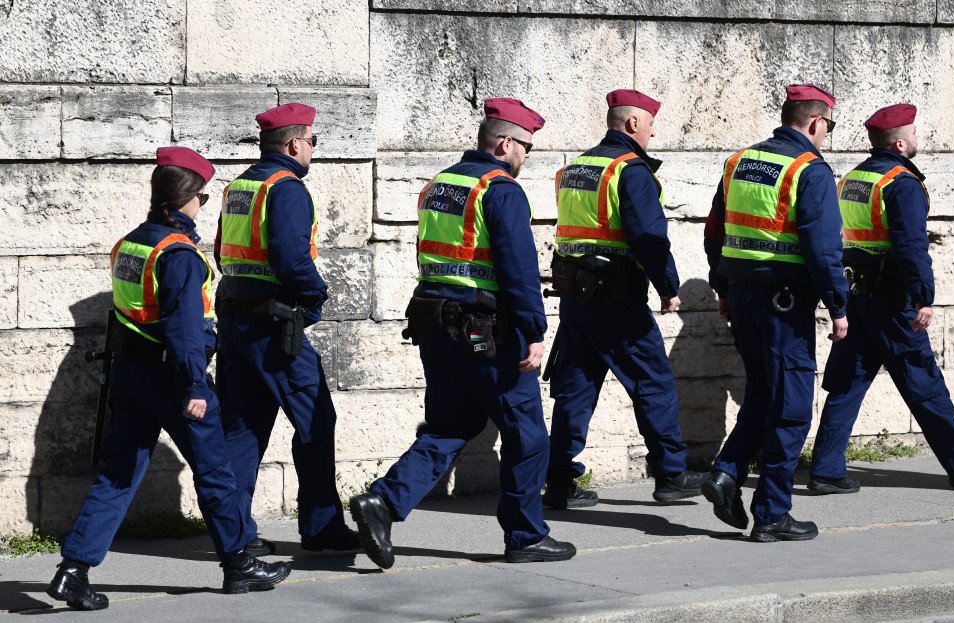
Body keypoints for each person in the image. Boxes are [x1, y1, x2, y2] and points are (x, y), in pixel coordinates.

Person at [48, 147, 290, 611]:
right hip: (172, 377)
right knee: (215, 470)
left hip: (130, 374)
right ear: (189, 198)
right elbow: (182, 331)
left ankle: (73, 570)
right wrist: (196, 387)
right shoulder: (178, 254)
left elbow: (125, 316)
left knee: (119, 475)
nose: (202, 203)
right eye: (202, 196)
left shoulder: (131, 244)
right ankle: (240, 563)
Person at [349, 98, 576, 569]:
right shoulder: (500, 189)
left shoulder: (440, 184)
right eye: (526, 147)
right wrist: (534, 330)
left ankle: (384, 503)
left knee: (452, 425)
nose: (527, 157)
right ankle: (526, 535)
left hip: (436, 324)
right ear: (504, 142)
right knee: (528, 433)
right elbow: (519, 271)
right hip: (485, 329)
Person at [807, 104, 954, 493]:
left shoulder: (853, 178)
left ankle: (826, 469)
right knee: (922, 379)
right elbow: (912, 246)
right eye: (914, 133)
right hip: (893, 299)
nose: (917, 138)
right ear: (900, 143)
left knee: (848, 381)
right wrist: (923, 297)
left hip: (857, 295)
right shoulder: (902, 183)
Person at [700, 84, 849, 542]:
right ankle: (771, 514)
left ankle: (726, 472)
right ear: (816, 122)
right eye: (830, 127)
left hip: (744, 295)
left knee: (764, 393)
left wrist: (723, 287)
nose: (827, 135)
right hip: (784, 303)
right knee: (791, 407)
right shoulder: (810, 170)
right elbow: (822, 250)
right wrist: (839, 306)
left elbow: (716, 232)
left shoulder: (740, 160)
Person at [542, 89, 702, 510]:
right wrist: (668, 287)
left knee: (576, 387)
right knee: (653, 382)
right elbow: (649, 238)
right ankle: (670, 474)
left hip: (578, 296)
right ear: (633, 124)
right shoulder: (630, 170)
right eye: (650, 124)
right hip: (616, 296)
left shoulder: (578, 167)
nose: (652, 132)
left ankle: (559, 481)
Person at [214, 103, 358, 555]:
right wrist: (316, 296)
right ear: (295, 144)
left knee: (242, 428)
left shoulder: (240, 187)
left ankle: (234, 535)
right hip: (275, 324)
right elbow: (291, 257)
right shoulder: (288, 187)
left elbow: (223, 253)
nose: (313, 150)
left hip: (237, 318)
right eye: (313, 142)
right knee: (316, 419)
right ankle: (321, 528)